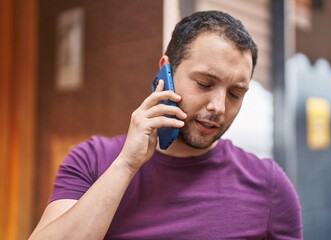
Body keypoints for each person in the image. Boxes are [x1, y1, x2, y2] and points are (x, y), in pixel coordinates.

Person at [29, 10, 302, 239]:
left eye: (235, 94)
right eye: (204, 84)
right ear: (165, 71)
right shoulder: (92, 160)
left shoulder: (270, 185)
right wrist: (126, 165)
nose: (219, 107)